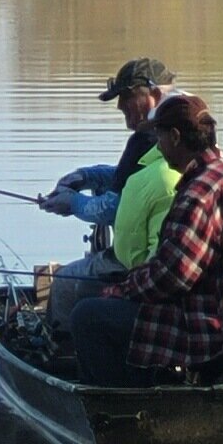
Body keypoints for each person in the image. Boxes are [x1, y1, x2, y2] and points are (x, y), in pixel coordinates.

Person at [70, 94, 223, 387]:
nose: (158, 146)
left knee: (87, 316)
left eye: (160, 137)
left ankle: (120, 407)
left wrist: (119, 290)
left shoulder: (198, 195)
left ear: (176, 137)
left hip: (205, 328)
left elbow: (172, 277)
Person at [38, 57, 179, 332]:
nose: (119, 106)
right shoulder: (181, 134)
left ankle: (67, 356)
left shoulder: (150, 137)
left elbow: (111, 209)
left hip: (141, 261)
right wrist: (88, 176)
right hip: (158, 255)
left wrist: (72, 203)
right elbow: (132, 178)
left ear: (153, 93)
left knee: (65, 283)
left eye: (126, 97)